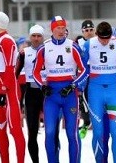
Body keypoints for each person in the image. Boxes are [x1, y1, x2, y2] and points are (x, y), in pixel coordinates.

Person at [33, 16, 88, 163]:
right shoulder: (44, 47)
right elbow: (35, 72)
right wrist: (42, 86)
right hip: (52, 95)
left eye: (63, 28)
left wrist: (73, 85)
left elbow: (84, 70)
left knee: (72, 133)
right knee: (50, 133)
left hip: (69, 94)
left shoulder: (73, 46)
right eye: (58, 28)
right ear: (52, 29)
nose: (61, 31)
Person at [82, 21, 116, 162]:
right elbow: (82, 68)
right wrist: (80, 85)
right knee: (98, 133)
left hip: (113, 91)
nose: (105, 42)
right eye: (102, 38)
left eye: (107, 38)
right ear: (96, 34)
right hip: (95, 91)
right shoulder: (88, 44)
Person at [0, 11, 25, 163]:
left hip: (9, 93)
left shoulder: (7, 41)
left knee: (15, 130)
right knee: (0, 131)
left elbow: (10, 69)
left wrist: (2, 91)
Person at [15, 24, 48, 163]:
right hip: (31, 94)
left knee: (52, 132)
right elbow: (14, 75)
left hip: (48, 94)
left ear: (43, 37)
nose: (36, 39)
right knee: (32, 132)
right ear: (30, 37)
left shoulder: (50, 50)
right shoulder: (24, 53)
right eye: (33, 36)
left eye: (39, 36)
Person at [76, 20, 95, 138]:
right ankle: (86, 122)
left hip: (96, 72)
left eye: (91, 30)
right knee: (83, 99)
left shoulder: (99, 41)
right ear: (82, 31)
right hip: (83, 73)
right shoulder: (78, 42)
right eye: (86, 30)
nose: (89, 32)